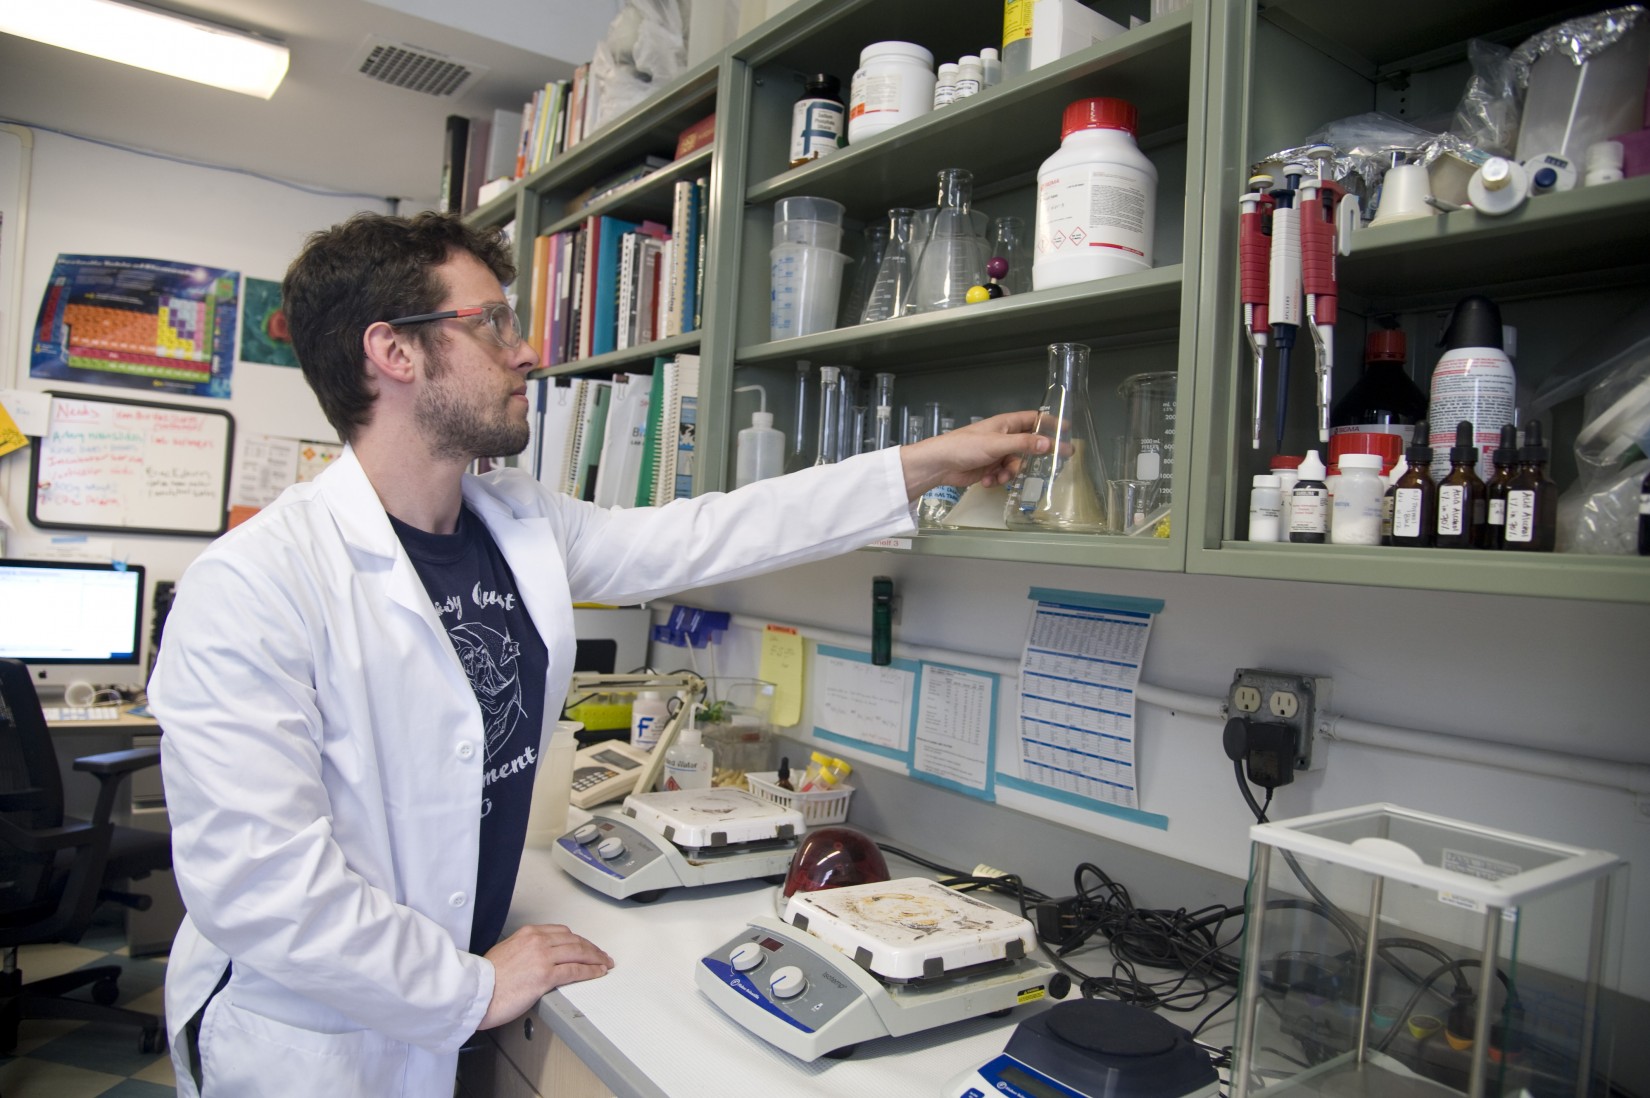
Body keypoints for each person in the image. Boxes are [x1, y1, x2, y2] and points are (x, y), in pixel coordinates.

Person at [148, 211, 1048, 1097]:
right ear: (394, 353)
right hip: (310, 1043)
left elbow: (708, 534)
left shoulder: (517, 523)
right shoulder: (254, 587)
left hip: (437, 997)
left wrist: (925, 463)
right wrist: (470, 986)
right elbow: (260, 886)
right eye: (490, 321)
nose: (526, 349)